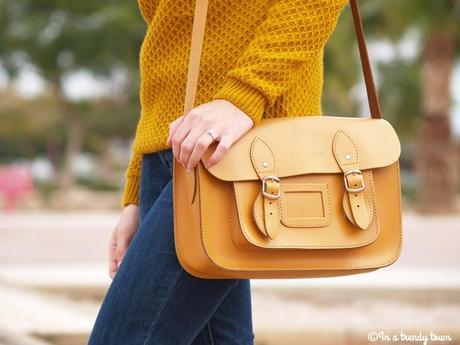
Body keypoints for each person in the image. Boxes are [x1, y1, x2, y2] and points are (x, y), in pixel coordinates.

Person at [88, 0, 348, 343]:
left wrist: (243, 95)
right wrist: (137, 187)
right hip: (170, 153)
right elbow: (169, 36)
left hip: (238, 149)